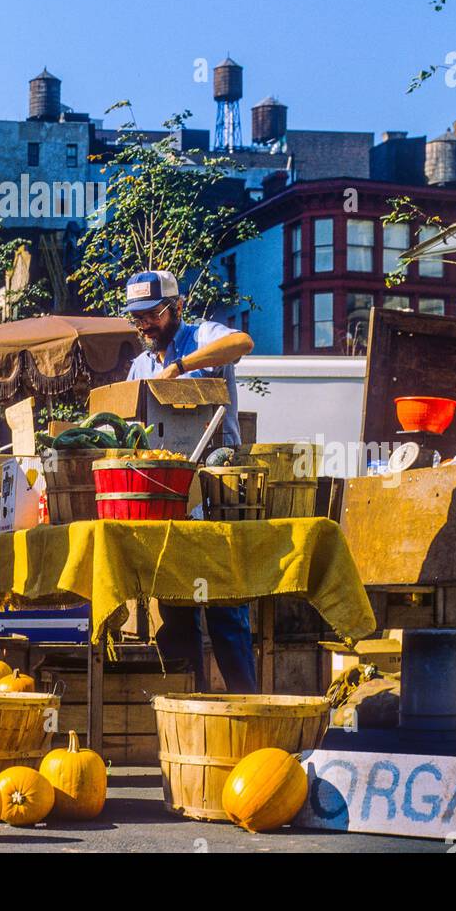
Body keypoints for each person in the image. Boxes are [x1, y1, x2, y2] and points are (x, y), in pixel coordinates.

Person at [123, 269, 258, 694]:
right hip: (167, 494)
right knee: (177, 608)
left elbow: (243, 344)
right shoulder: (140, 365)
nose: (144, 325)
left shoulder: (203, 336)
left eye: (152, 315)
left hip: (217, 486)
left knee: (224, 607)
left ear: (177, 308)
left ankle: (246, 709)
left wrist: (180, 368)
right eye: (136, 317)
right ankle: (189, 709)